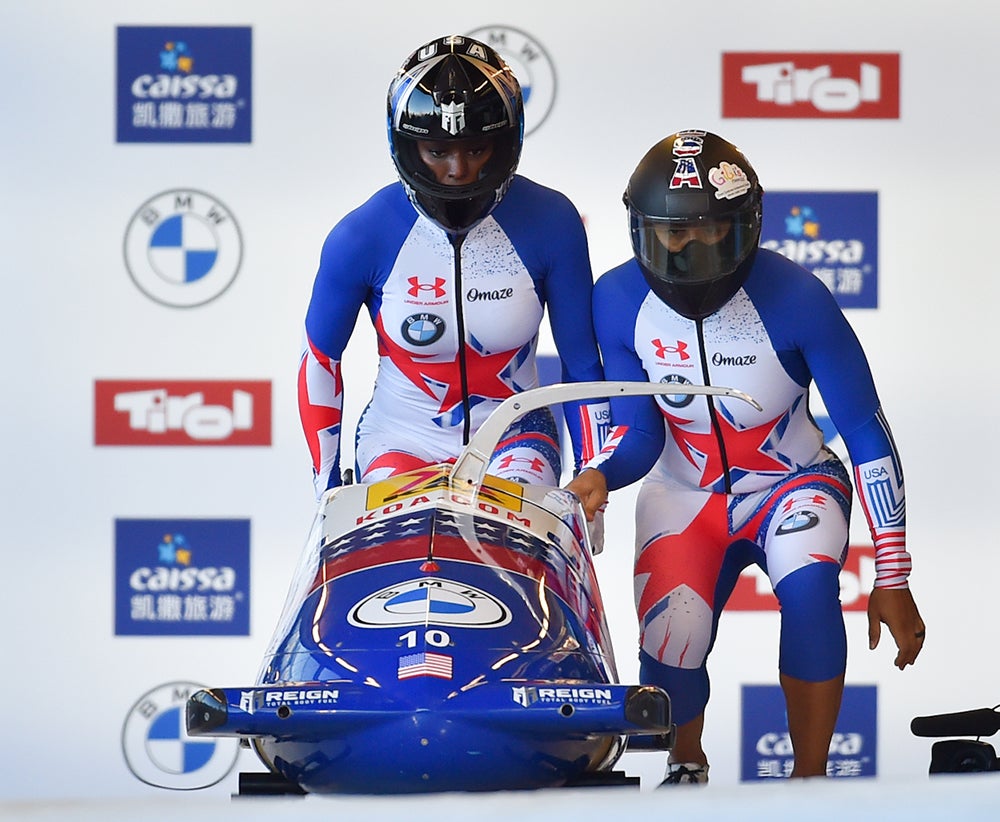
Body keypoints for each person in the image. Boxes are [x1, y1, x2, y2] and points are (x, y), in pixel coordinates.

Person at [567, 130, 925, 784]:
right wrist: (600, 474)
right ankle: (686, 761)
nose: (690, 252)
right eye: (670, 235)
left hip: (794, 483)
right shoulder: (616, 300)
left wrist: (894, 575)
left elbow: (867, 432)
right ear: (637, 231)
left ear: (748, 227)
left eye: (712, 232)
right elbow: (640, 436)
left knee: (813, 588)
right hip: (683, 493)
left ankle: (809, 780)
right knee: (672, 635)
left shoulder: (798, 297)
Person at [298, 35, 608, 497]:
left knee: (505, 557)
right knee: (403, 564)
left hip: (516, 437)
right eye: (437, 151)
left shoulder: (552, 221)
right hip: (399, 440)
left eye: (477, 149)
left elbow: (582, 360)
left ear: (506, 143)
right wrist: (325, 486)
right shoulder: (361, 236)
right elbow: (320, 360)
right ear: (406, 146)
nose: (458, 170)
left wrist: (592, 470)